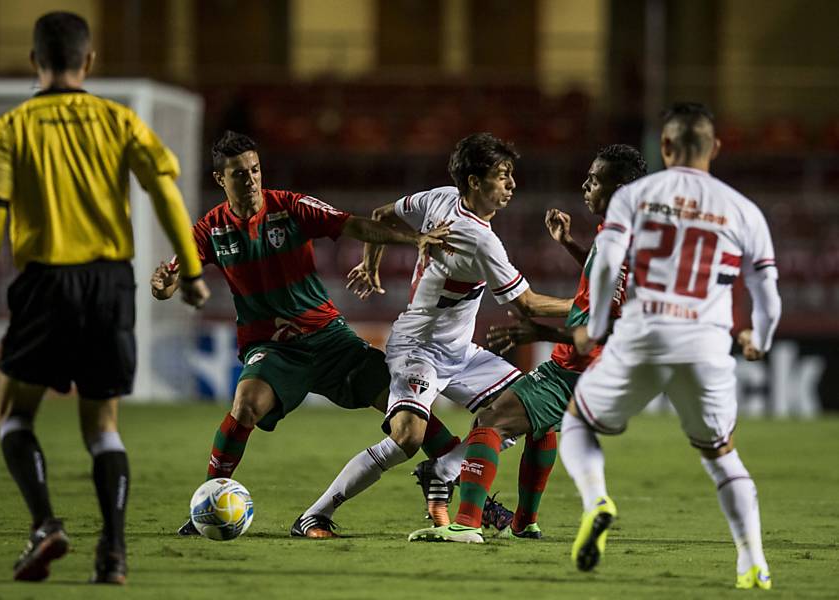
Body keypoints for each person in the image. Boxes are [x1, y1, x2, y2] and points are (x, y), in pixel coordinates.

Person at [0, 12, 210, 585]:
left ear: (34, 62)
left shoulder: (10, 128)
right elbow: (164, 193)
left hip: (45, 284)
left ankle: (46, 523)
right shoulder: (118, 120)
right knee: (102, 426)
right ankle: (114, 552)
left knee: (13, 412)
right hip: (109, 284)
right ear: (89, 61)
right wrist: (192, 271)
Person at [149, 130, 457, 537]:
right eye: (239, 174)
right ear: (219, 179)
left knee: (409, 411)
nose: (251, 180)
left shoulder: (291, 207)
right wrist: (162, 285)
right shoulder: (210, 230)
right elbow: (172, 277)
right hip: (274, 351)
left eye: (255, 170)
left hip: (330, 340)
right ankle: (207, 502)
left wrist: (414, 238)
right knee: (244, 406)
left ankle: (476, 498)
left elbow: (355, 225)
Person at [295, 133, 572, 538]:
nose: (511, 185)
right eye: (502, 176)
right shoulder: (480, 238)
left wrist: (372, 264)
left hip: (461, 352)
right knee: (407, 437)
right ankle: (313, 515)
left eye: (512, 175)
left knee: (531, 413)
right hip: (417, 349)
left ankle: (448, 471)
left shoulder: (440, 197)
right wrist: (591, 303)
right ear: (475, 182)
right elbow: (527, 305)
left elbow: (383, 214)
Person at [561, 103, 780, 590]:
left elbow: (605, 262)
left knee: (577, 422)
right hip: (705, 345)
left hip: (642, 335)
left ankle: (597, 501)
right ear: (715, 148)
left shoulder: (635, 196)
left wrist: (596, 327)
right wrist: (758, 340)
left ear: (663, 147)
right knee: (722, 456)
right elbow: (768, 294)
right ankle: (753, 563)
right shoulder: (744, 210)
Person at [412, 144, 648, 541]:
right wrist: (570, 244)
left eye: (595, 179)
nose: (586, 184)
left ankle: (465, 524)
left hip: (580, 366)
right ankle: (525, 522)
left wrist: (540, 332)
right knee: (541, 427)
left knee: (491, 420)